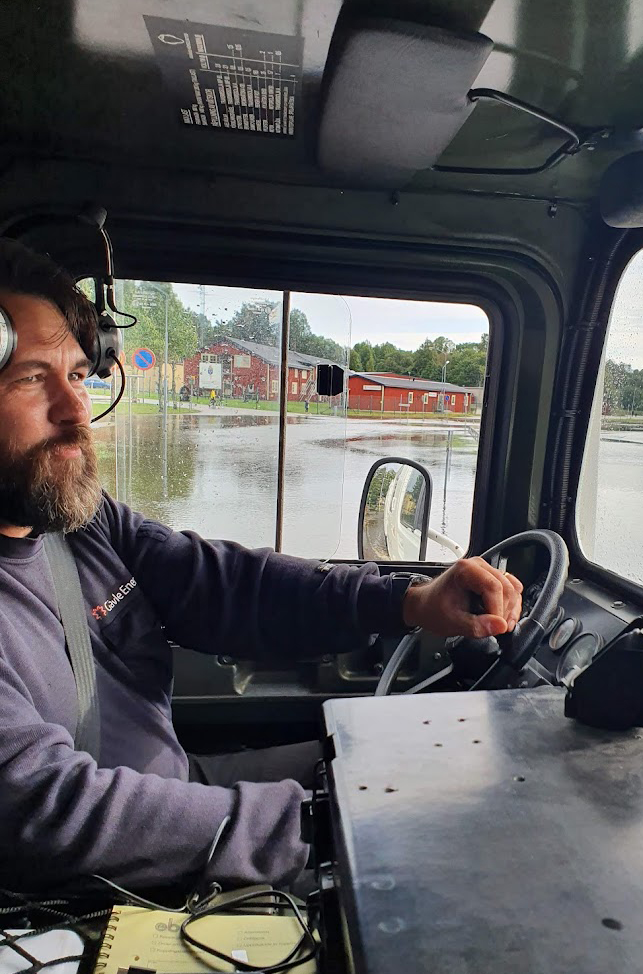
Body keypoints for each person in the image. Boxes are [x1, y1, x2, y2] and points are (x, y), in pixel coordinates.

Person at [0, 239, 522, 894]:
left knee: (426, 763)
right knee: (429, 864)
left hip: (181, 791)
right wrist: (317, 828)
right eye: (29, 379)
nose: (78, 413)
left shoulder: (78, 523)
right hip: (110, 886)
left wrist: (408, 601)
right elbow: (43, 808)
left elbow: (226, 586)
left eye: (77, 375)